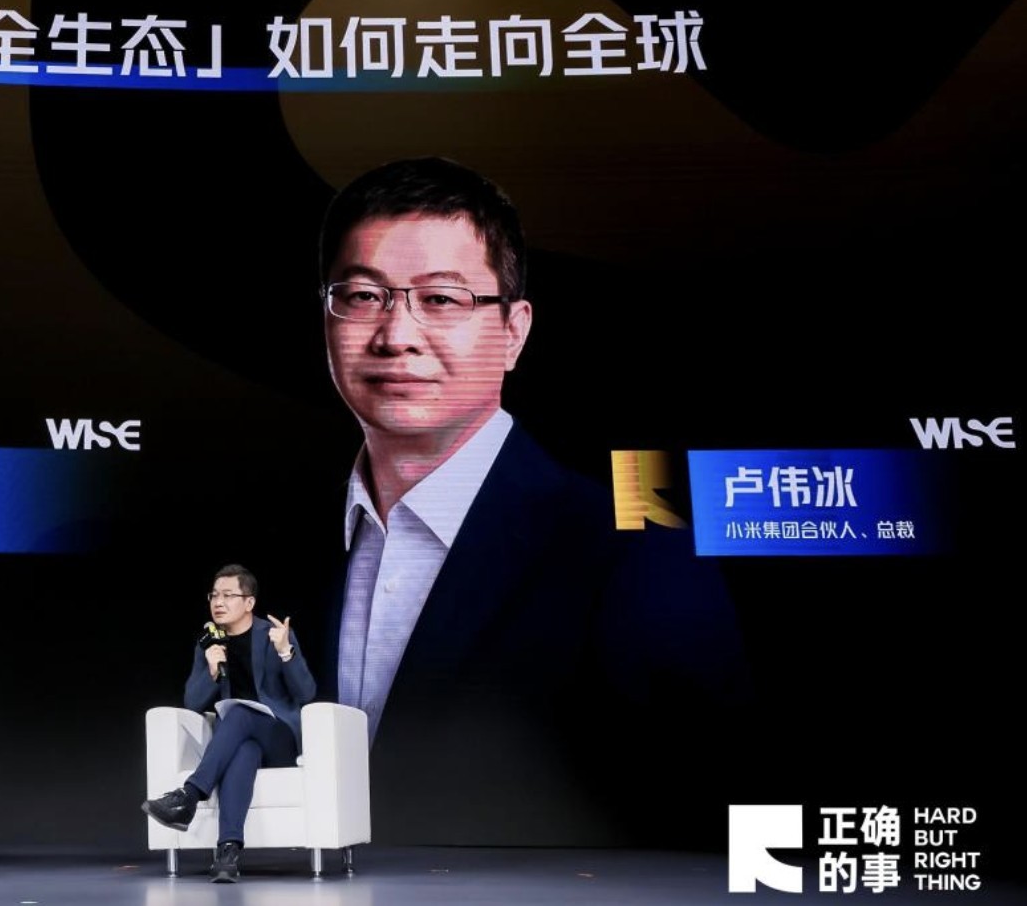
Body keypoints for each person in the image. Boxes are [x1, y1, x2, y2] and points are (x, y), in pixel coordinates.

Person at [317, 156, 748, 843]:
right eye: (364, 296)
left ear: (513, 331)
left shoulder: (633, 546)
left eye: (442, 299)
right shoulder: (266, 539)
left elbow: (706, 816)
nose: (396, 336)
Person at [141, 564, 316, 883]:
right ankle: (228, 853)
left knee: (239, 714)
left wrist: (286, 651)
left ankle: (189, 796)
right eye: (214, 595)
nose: (218, 602)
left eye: (227, 595)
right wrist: (211, 669)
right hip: (239, 739)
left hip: (278, 737)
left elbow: (306, 693)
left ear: (249, 602)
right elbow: (193, 703)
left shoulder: (273, 635)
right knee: (244, 752)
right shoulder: (209, 643)